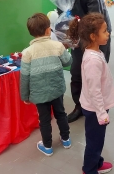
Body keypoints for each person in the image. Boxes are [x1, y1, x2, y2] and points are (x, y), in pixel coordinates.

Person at [47, 0, 112, 123]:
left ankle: (100, 107)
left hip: (97, 37)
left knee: (96, 74)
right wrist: (64, 37)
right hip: (78, 39)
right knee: (76, 73)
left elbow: (96, 21)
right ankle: (80, 106)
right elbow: (64, 19)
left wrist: (75, 28)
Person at [68, 13, 114, 174]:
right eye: (104, 31)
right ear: (93, 36)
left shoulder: (96, 53)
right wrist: (101, 112)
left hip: (96, 106)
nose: (108, 33)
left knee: (97, 139)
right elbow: (94, 89)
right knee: (94, 141)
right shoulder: (92, 60)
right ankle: (89, 169)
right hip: (95, 108)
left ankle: (97, 162)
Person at [20, 13, 73, 156]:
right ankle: (66, 139)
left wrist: (25, 96)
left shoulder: (27, 53)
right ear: (48, 30)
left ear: (31, 32)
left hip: (39, 93)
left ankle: (47, 146)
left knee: (44, 120)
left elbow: (24, 77)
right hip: (57, 90)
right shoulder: (58, 46)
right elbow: (68, 62)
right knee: (61, 114)